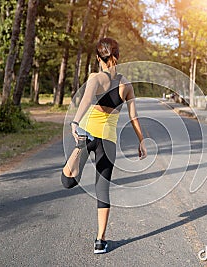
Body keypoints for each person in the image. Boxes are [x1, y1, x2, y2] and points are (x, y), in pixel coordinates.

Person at [61, 37, 147, 254]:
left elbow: (86, 100)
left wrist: (74, 122)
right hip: (108, 140)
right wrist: (142, 141)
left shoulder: (95, 78)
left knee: (68, 181)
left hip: (88, 132)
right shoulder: (126, 84)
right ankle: (100, 240)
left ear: (99, 57)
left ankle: (80, 146)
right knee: (102, 189)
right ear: (118, 55)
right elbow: (134, 117)